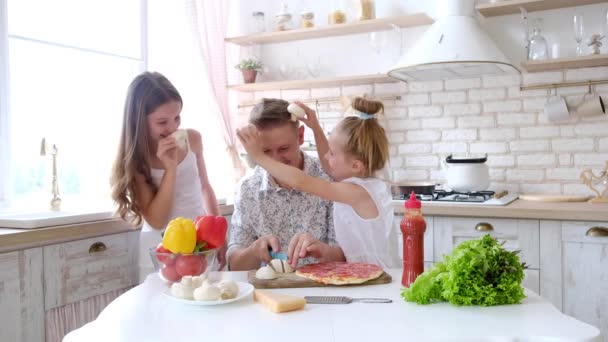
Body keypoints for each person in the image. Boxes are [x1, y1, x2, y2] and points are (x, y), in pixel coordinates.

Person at [237, 97, 400, 269]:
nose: (326, 157)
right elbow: (327, 164)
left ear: (355, 165)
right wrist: (314, 127)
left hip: (377, 274)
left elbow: (300, 180)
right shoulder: (359, 183)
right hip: (368, 272)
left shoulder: (356, 191)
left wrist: (259, 157)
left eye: (332, 153)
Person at [110, 71, 223, 281]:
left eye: (177, 118)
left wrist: (218, 238)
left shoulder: (193, 139)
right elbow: (157, 220)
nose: (172, 128)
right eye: (162, 122)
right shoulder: (136, 160)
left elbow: (205, 188)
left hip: (199, 244)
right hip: (160, 248)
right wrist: (170, 168)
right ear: (139, 122)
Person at [227, 98, 345, 271]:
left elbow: (348, 256)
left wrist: (323, 251)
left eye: (284, 149)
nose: (276, 160)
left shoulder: (329, 178)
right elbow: (234, 266)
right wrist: (253, 251)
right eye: (265, 151)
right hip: (270, 295)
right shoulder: (248, 189)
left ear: (301, 136)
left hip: (324, 291)